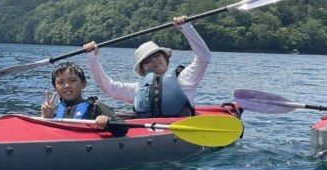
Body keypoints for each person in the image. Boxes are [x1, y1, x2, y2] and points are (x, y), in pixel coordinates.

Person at [83, 16, 211, 118]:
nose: (154, 60)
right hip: (148, 135)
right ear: (142, 70)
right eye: (147, 60)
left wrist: (186, 28)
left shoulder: (185, 78)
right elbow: (108, 87)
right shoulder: (137, 89)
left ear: (165, 57)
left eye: (156, 55)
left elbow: (204, 57)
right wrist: (92, 57)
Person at [41, 62, 116, 128]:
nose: (67, 85)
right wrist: (46, 117)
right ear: (55, 88)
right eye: (61, 82)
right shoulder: (54, 110)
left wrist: (107, 120)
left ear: (83, 84)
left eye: (73, 81)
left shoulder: (95, 107)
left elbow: (122, 127)